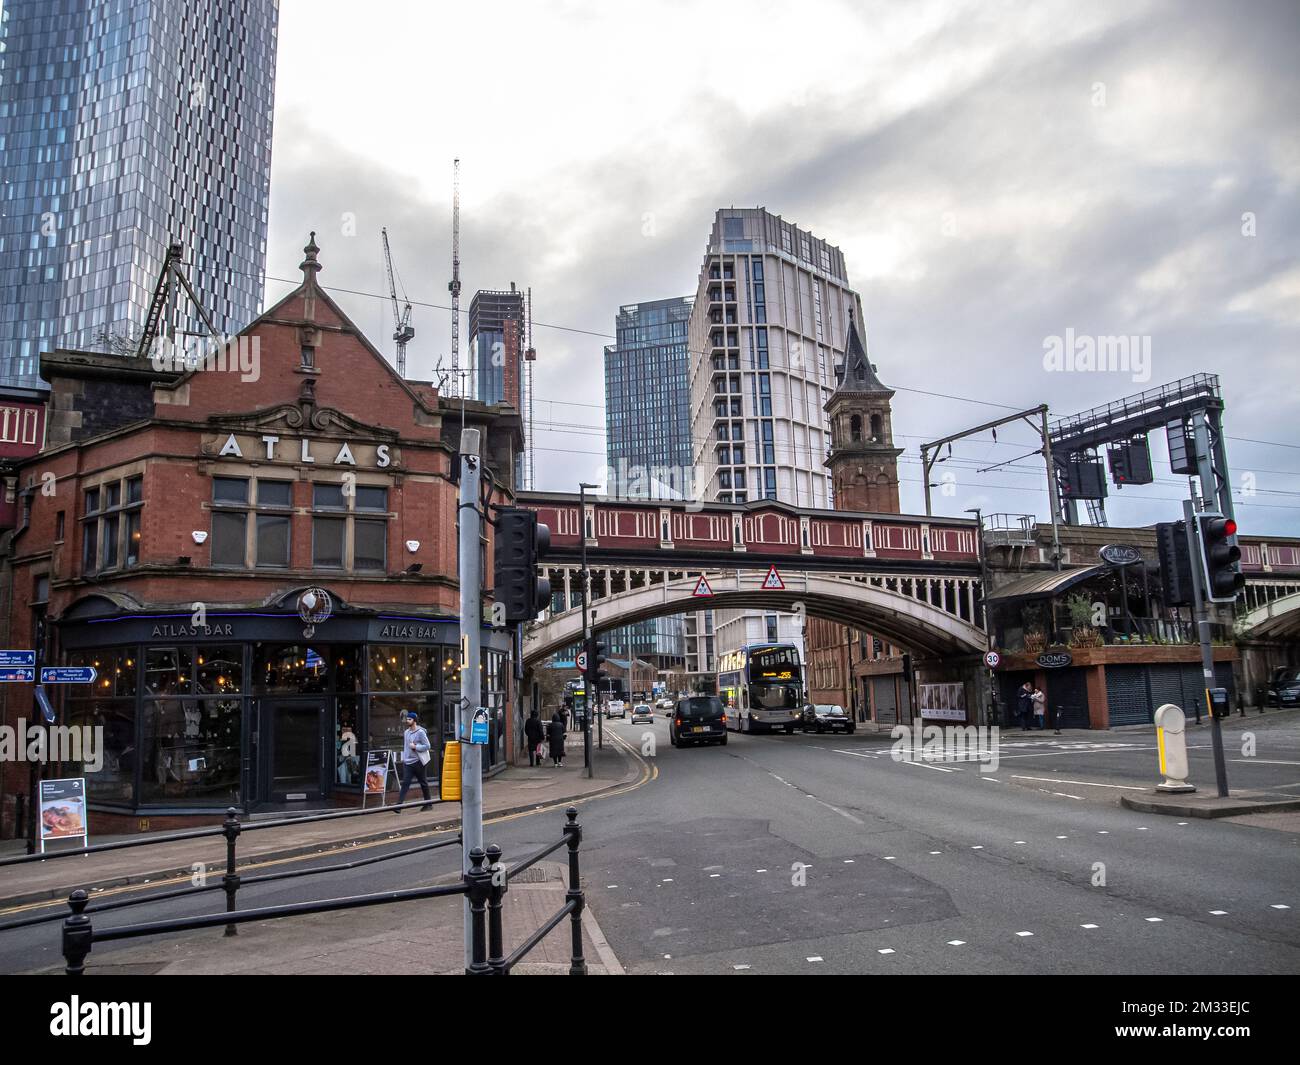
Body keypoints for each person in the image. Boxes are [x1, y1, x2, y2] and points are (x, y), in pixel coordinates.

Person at [396, 711, 433, 811]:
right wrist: (405, 758)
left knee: (423, 783)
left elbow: (427, 746)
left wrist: (416, 747)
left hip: (419, 762)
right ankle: (398, 806)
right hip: (408, 763)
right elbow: (406, 747)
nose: (407, 721)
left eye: (409, 719)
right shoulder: (406, 732)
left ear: (414, 720)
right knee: (405, 783)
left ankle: (428, 804)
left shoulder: (420, 732)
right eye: (407, 719)